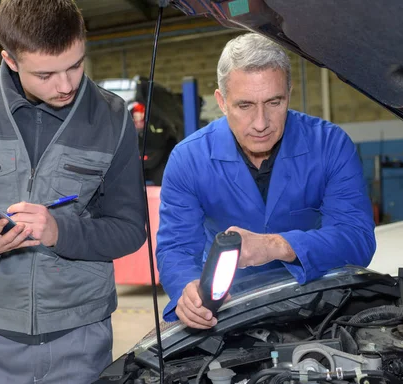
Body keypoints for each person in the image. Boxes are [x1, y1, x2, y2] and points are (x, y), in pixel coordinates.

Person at [0, 0, 147, 384]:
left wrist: (60, 230)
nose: (66, 85)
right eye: (45, 73)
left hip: (82, 338)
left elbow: (130, 230)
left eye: (76, 65)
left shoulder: (112, 118)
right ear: (10, 59)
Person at [156, 33, 376, 330]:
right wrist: (187, 290)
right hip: (228, 312)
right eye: (244, 106)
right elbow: (177, 248)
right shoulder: (188, 159)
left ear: (289, 93)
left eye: (274, 102)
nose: (261, 123)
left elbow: (357, 239)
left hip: (318, 306)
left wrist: (276, 246)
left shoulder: (330, 145)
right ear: (221, 102)